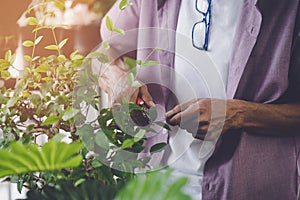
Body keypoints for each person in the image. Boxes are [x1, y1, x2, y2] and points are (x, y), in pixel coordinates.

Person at [98, 0, 300, 199]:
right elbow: (103, 52)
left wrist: (238, 114)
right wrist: (117, 78)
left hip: (250, 188)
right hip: (158, 184)